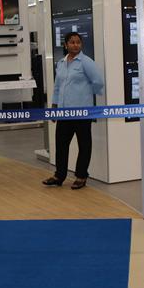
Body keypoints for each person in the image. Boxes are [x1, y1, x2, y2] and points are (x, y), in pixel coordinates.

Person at [43, 31, 104, 190]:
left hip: (82, 112)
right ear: (66, 45)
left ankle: (81, 176)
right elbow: (57, 87)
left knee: (84, 145)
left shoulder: (86, 62)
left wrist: (86, 95)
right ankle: (59, 176)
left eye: (78, 42)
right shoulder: (61, 63)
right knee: (61, 145)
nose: (75, 45)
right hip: (64, 113)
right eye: (72, 42)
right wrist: (54, 106)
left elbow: (98, 81)